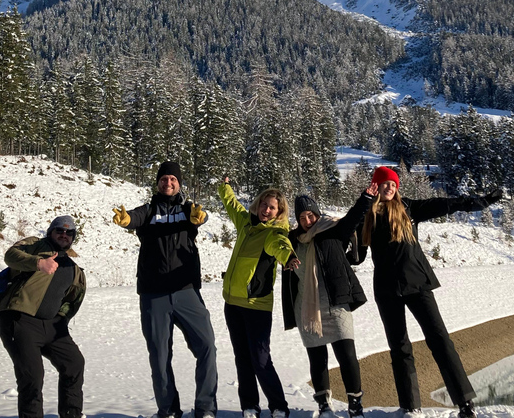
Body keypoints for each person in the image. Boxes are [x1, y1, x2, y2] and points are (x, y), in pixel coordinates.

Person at [361, 166, 502, 418]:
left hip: (417, 284)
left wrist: (481, 202)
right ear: (375, 186)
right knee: (399, 348)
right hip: (386, 288)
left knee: (440, 340)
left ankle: (465, 403)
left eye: (393, 183)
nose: (390, 187)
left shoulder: (410, 208)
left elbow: (448, 204)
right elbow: (354, 252)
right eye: (384, 183)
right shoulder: (366, 215)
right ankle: (410, 407)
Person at [112, 161, 217, 418]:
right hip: (153, 293)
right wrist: (127, 220)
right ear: (157, 182)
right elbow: (133, 218)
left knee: (207, 347)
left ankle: (205, 408)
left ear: (179, 183)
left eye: (173, 179)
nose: (168, 183)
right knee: (159, 356)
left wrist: (200, 218)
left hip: (186, 291)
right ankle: (168, 409)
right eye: (163, 179)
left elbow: (199, 217)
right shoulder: (148, 211)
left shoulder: (187, 209)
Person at [282, 189, 373, 418]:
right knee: (317, 358)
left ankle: (355, 404)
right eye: (302, 218)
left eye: (310, 215)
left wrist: (365, 199)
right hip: (306, 306)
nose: (307, 221)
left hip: (335, 303)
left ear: (317, 213)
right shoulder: (293, 240)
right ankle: (323, 405)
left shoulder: (333, 230)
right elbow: (277, 246)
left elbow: (353, 219)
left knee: (347, 355)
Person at [218, 177, 300, 418]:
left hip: (257, 306)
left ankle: (278, 406)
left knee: (261, 359)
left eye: (272, 207)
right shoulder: (246, 223)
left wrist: (288, 257)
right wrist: (225, 187)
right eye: (264, 204)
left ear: (279, 212)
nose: (266, 209)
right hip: (232, 304)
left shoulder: (274, 232)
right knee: (242, 359)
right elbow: (232, 205)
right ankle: (250, 406)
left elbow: (280, 245)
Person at [0, 215, 87, 418]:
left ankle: (72, 414)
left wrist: (61, 318)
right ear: (50, 232)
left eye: (69, 232)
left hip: (52, 326)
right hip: (20, 319)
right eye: (59, 231)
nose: (64, 235)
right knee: (32, 377)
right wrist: (38, 263)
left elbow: (73, 300)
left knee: (74, 363)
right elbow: (10, 255)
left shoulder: (73, 269)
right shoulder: (35, 245)